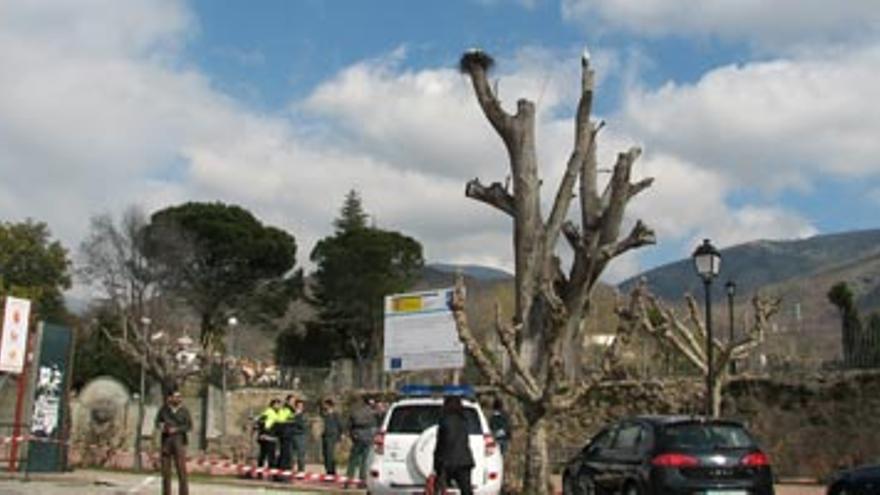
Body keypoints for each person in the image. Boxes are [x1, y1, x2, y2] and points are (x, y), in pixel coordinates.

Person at [433, 395, 475, 495]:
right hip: (464, 461)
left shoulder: (444, 421)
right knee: (466, 490)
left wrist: (436, 463)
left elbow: (440, 443)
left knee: (440, 490)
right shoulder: (464, 421)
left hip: (446, 462)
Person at [155, 389, 192, 495]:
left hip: (179, 441)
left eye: (179, 396)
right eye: (176, 396)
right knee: (166, 472)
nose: (178, 398)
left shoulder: (184, 410)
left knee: (181, 471)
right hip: (166, 442)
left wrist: (177, 429)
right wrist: (162, 427)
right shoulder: (164, 410)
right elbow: (157, 422)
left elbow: (189, 426)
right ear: (170, 398)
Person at [346, 396, 376, 485]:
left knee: (353, 459)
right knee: (365, 460)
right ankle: (362, 480)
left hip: (357, 437)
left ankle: (349, 479)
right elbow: (375, 426)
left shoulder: (355, 411)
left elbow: (349, 425)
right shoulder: (372, 413)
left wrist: (352, 435)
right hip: (368, 438)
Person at [255, 398, 281, 471]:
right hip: (266, 436)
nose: (278, 406)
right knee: (264, 455)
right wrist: (262, 433)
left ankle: (270, 471)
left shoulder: (277, 413)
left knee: (270, 455)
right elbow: (260, 421)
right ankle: (260, 471)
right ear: (272, 405)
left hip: (272, 437)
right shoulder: (269, 411)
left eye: (278, 404)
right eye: (276, 404)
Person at [274, 394, 296, 475]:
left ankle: (282, 468)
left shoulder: (289, 409)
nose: (293, 402)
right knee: (285, 453)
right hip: (286, 434)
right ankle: (283, 469)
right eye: (292, 401)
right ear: (288, 401)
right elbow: (281, 421)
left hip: (287, 433)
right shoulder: (287, 409)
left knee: (286, 452)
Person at [320, 398, 341, 476]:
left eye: (325, 405)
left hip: (332, 437)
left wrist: (338, 436)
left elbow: (340, 426)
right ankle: (328, 470)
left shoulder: (335, 415)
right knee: (325, 454)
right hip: (325, 436)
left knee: (330, 455)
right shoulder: (324, 414)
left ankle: (331, 472)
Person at [290, 399, 308, 472]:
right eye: (297, 406)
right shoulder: (292, 414)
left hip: (300, 436)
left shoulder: (303, 415)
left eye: (301, 406)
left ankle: (301, 471)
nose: (299, 407)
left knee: (301, 455)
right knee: (291, 455)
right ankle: (291, 469)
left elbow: (303, 426)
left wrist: (297, 418)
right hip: (292, 436)